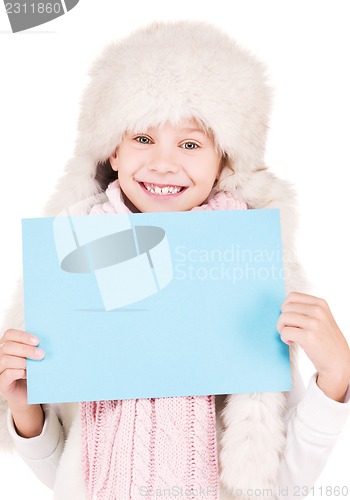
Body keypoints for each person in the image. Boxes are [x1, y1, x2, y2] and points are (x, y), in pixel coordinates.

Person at [0, 21, 349, 500]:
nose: (164, 163)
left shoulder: (249, 267)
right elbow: (67, 475)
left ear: (224, 161)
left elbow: (276, 481)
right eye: (143, 138)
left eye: (189, 144)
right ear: (112, 153)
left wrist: (335, 378)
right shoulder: (70, 260)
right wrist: (26, 411)